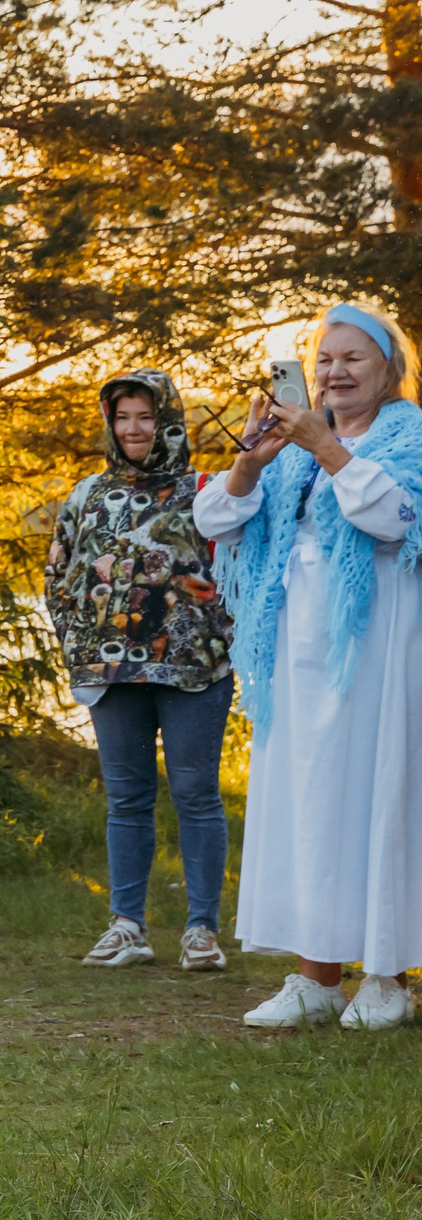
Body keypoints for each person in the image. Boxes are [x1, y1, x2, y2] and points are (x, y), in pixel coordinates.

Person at [195, 301, 422, 1031]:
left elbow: (393, 519)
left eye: (352, 358)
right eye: (324, 359)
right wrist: (251, 461)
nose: (335, 371)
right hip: (297, 656)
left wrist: (326, 446)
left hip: (378, 647)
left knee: (374, 795)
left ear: (388, 368)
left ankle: (386, 978)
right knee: (308, 802)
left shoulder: (409, 436)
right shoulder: (289, 453)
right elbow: (215, 524)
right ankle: (315, 975)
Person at [41, 370, 236, 972]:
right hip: (112, 674)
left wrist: (222, 635)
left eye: (146, 417)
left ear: (169, 421)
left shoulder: (207, 492)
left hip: (192, 672)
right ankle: (128, 927)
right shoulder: (87, 495)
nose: (133, 429)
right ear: (109, 421)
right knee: (126, 799)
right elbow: (58, 576)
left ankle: (202, 931)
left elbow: (241, 573)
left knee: (196, 795)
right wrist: (81, 644)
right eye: (123, 417)